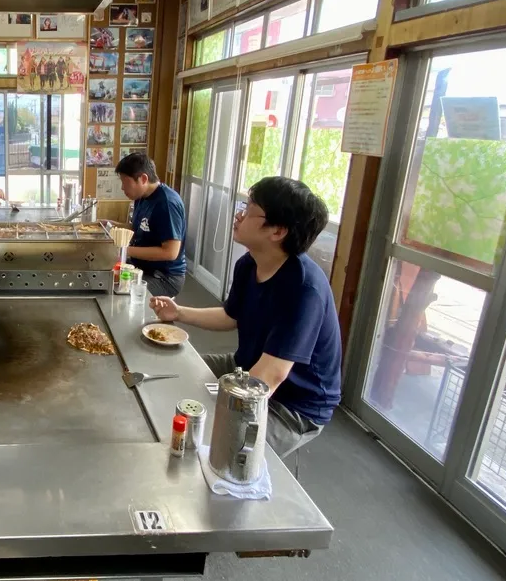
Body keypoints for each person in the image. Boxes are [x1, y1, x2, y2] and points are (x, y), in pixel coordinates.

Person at [149, 176, 341, 458]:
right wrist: (179, 313)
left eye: (249, 209)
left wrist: (220, 415)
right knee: (176, 371)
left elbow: (270, 377)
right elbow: (231, 316)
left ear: (277, 231)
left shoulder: (303, 289)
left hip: (292, 406)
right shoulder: (249, 263)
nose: (239, 214)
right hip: (246, 365)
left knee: (221, 449)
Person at [112, 152, 186, 297]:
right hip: (141, 267)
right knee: (108, 275)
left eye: (125, 182)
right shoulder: (142, 197)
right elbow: (137, 228)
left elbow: (170, 252)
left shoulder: (167, 203)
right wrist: (112, 225)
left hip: (164, 278)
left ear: (143, 179)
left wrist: (124, 250)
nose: (122, 188)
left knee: (120, 292)